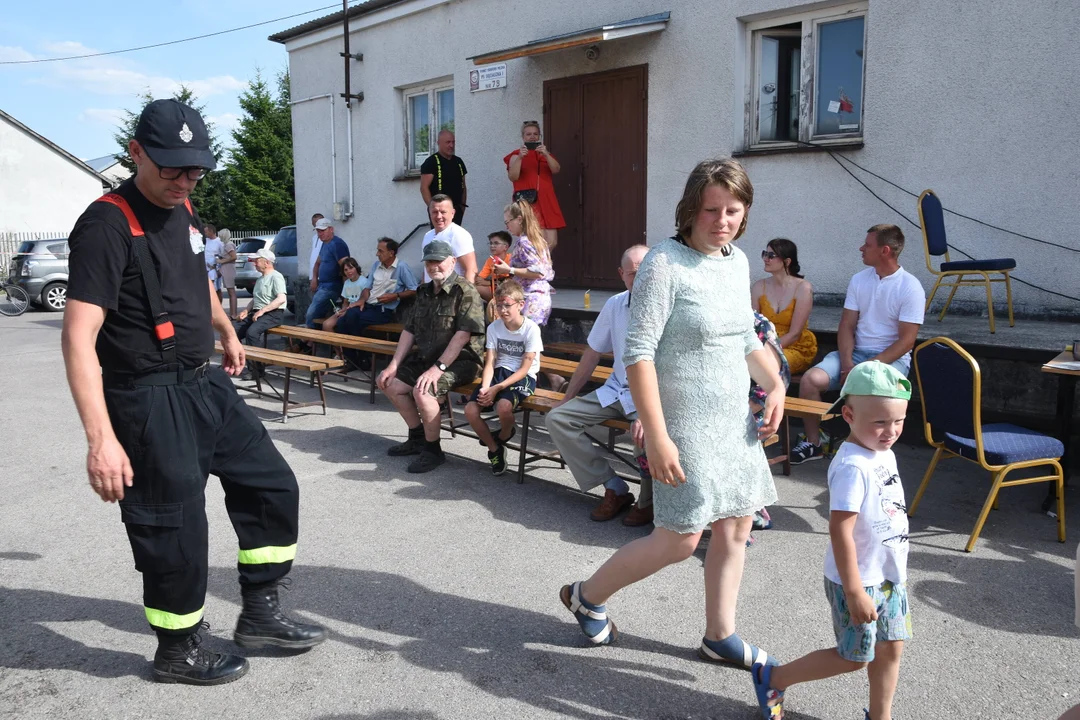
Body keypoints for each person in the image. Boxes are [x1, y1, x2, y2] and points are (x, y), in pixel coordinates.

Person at [61, 98, 325, 687]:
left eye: (195, 170)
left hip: (203, 382)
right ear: (136, 154)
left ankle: (260, 614)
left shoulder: (181, 211)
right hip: (147, 397)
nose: (185, 181)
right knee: (176, 527)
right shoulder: (105, 225)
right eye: (172, 170)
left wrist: (226, 330)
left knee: (271, 483)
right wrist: (100, 440)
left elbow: (193, 280)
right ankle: (178, 649)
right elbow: (79, 339)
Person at [558, 159, 785, 675]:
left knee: (736, 525)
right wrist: (656, 435)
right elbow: (637, 352)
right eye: (711, 210)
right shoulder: (663, 264)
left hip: (733, 423)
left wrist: (774, 386)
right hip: (684, 426)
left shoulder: (736, 262)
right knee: (680, 540)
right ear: (689, 209)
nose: (722, 220)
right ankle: (586, 595)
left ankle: (719, 634)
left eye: (733, 210)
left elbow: (744, 337)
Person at [751, 361, 912, 720]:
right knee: (853, 658)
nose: (890, 431)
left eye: (899, 421)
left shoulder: (883, 451)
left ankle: (880, 716)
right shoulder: (854, 466)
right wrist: (854, 591)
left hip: (889, 576)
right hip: (856, 579)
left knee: (891, 649)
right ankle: (773, 677)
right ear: (850, 415)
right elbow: (840, 530)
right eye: (881, 422)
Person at [792, 225, 925, 465]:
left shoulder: (910, 287)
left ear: (884, 250)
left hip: (889, 359)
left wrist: (865, 369)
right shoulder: (859, 279)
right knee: (811, 380)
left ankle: (865, 451)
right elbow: (846, 325)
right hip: (854, 354)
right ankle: (814, 443)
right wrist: (847, 363)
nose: (861, 248)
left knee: (872, 392)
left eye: (868, 245)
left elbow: (906, 341)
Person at [546, 245, 654, 524]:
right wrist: (568, 397)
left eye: (646, 271)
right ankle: (614, 488)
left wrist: (647, 413)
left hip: (653, 396)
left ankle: (648, 501)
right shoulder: (615, 304)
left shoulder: (669, 306)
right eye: (632, 274)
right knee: (558, 418)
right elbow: (592, 353)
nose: (639, 278)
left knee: (645, 436)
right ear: (621, 274)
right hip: (618, 389)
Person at [376, 240, 485, 474]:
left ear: (452, 262)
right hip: (430, 356)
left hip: (463, 361)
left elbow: (463, 335)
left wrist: (438, 368)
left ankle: (433, 450)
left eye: (438, 260)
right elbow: (410, 330)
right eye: (429, 261)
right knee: (389, 383)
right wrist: (393, 365)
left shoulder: (465, 291)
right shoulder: (424, 291)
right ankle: (417, 438)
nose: (433, 265)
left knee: (423, 391)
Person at [464, 280, 542, 476]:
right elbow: (490, 361)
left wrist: (497, 389)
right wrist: (485, 387)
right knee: (471, 409)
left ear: (520, 304)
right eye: (499, 305)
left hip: (522, 377)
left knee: (503, 406)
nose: (502, 310)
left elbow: (525, 369)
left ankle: (506, 434)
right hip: (499, 373)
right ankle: (495, 449)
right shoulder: (494, 327)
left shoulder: (531, 329)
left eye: (507, 305)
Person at [493, 202, 560, 390]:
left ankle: (550, 378)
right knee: (530, 341)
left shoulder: (524, 241)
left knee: (526, 342)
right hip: (539, 298)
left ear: (519, 219)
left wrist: (509, 269)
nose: (507, 226)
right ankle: (547, 380)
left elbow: (537, 271)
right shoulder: (536, 238)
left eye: (508, 222)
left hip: (531, 299)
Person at [751, 238, 817, 374]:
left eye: (771, 255)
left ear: (787, 261)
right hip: (763, 344)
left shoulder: (803, 288)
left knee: (765, 365)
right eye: (765, 253)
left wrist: (766, 350)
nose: (765, 259)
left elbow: (795, 334)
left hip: (794, 346)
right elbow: (753, 324)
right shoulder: (759, 286)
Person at [504, 120, 565, 250]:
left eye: (535, 134)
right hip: (528, 202)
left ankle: (542, 267)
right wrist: (521, 157)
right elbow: (513, 177)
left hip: (547, 200)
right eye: (528, 134)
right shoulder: (515, 155)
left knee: (552, 241)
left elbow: (556, 169)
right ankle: (537, 267)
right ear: (523, 137)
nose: (532, 136)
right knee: (535, 240)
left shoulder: (544, 154)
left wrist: (546, 154)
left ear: (539, 136)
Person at [341, 238, 419, 335]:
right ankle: (354, 349)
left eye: (380, 251)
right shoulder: (376, 265)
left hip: (384, 310)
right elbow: (367, 288)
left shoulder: (401, 267)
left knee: (352, 319)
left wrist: (396, 296)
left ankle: (358, 349)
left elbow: (414, 290)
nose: (377, 254)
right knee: (342, 320)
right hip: (369, 306)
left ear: (391, 253)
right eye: (377, 250)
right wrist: (361, 300)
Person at [233, 248, 287, 381]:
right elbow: (255, 299)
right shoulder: (260, 279)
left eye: (257, 261)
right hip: (257, 312)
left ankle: (257, 370)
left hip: (273, 313)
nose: (254, 263)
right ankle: (235, 363)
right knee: (233, 332)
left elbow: (281, 299)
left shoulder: (276, 276)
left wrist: (262, 311)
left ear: (267, 262)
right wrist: (246, 310)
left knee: (251, 333)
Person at [306, 217, 351, 329]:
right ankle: (312, 341)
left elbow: (346, 269)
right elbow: (317, 263)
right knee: (314, 314)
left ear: (331, 229)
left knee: (311, 314)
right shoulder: (325, 244)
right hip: (322, 286)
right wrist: (315, 279)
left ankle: (308, 343)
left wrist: (346, 293)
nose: (320, 233)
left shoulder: (337, 244)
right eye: (318, 231)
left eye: (323, 230)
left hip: (331, 287)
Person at [422, 194, 476, 283]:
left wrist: (466, 295)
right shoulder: (428, 235)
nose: (439, 216)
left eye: (443, 212)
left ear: (452, 213)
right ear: (429, 213)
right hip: (431, 294)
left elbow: (471, 270)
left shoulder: (458, 234)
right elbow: (425, 269)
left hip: (451, 293)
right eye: (435, 212)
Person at [420, 130, 467, 224]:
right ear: (439, 143)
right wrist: (434, 209)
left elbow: (463, 186)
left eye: (453, 142)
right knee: (441, 238)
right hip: (440, 213)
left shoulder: (458, 162)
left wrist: (462, 206)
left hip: (456, 210)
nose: (451, 145)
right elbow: (424, 188)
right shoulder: (431, 162)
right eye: (448, 142)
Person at [320, 257, 364, 334]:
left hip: (357, 312)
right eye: (345, 270)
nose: (349, 272)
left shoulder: (364, 282)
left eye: (351, 268)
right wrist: (341, 311)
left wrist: (346, 312)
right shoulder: (347, 283)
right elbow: (345, 302)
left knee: (342, 325)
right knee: (326, 325)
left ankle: (343, 345)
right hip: (347, 310)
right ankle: (338, 346)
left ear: (356, 268)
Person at [476, 231, 512, 303]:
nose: (492, 246)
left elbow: (512, 278)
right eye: (491, 243)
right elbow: (480, 278)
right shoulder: (490, 260)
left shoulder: (512, 258)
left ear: (506, 247)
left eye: (496, 243)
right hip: (494, 289)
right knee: (474, 287)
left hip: (509, 290)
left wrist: (488, 283)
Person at [215, 227, 238, 320]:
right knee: (230, 292)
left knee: (231, 292)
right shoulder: (226, 245)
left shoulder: (229, 245)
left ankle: (233, 314)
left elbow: (233, 257)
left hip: (228, 269)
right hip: (226, 269)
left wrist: (222, 261)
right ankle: (232, 313)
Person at [203, 223, 222, 289]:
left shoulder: (219, 242)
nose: (205, 233)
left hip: (214, 269)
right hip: (206, 269)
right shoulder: (206, 241)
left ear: (211, 231)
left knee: (216, 289)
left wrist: (219, 269)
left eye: (206, 232)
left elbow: (221, 256)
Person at [307, 213, 325, 280]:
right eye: (314, 222)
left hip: (321, 276)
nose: (316, 224)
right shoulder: (314, 237)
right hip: (313, 275)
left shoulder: (326, 238)